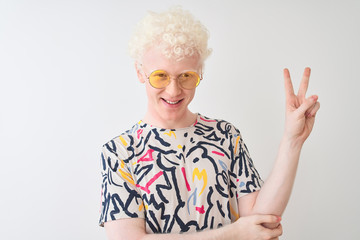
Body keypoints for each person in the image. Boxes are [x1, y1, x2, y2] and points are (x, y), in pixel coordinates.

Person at [99, 6, 320, 240]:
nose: (173, 90)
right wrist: (233, 234)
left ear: (200, 72)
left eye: (186, 76)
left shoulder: (225, 135)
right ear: (140, 72)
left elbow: (260, 223)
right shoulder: (119, 152)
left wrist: (292, 141)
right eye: (160, 76)